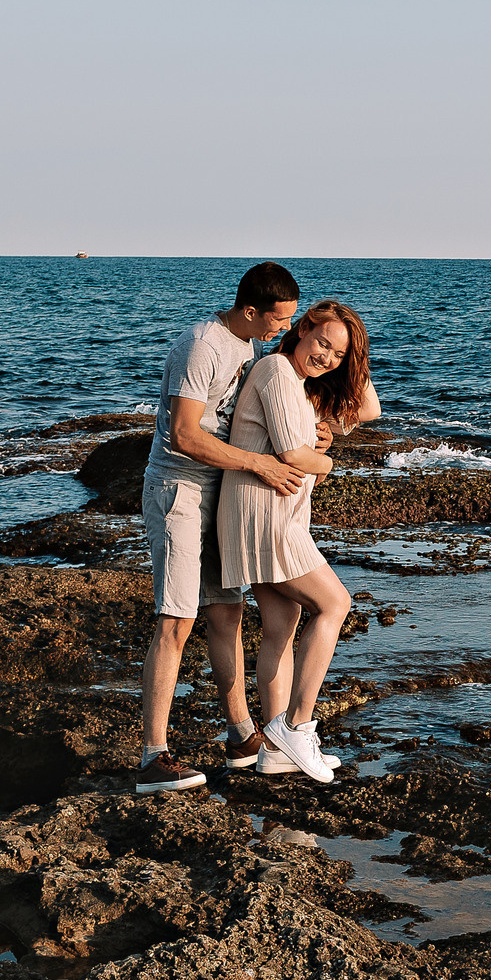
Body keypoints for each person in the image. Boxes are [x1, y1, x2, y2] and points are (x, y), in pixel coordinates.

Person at [133, 262, 305, 795]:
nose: (285, 328)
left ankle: (241, 736)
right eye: (279, 319)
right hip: (178, 491)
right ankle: (153, 758)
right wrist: (260, 465)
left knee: (227, 613)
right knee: (176, 620)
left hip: (220, 490)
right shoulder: (201, 345)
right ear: (250, 310)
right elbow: (184, 434)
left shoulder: (248, 343)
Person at [215, 300, 378, 784]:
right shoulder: (277, 371)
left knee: (282, 623)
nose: (326, 356)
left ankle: (274, 748)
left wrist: (353, 356)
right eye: (322, 342)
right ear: (303, 328)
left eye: (338, 354)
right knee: (335, 603)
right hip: (266, 518)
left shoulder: (303, 387)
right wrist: (326, 461)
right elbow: (292, 453)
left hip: (263, 515)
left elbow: (369, 408)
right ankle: (298, 725)